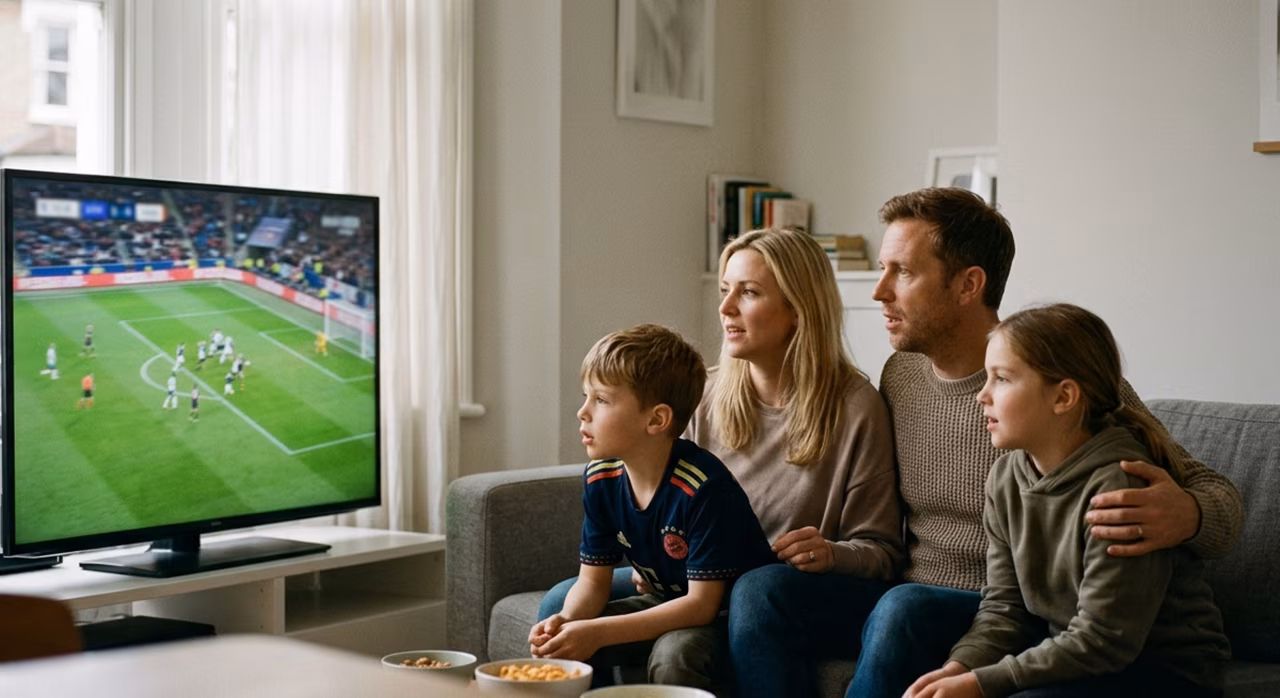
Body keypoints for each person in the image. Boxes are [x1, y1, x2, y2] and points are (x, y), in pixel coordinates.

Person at [847, 188, 1243, 698]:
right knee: (780, 595)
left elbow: (1214, 492)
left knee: (904, 609)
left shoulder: (1067, 391)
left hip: (1057, 621)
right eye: (883, 269)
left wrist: (1188, 513)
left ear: (969, 285)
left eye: (902, 271)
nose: (878, 292)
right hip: (976, 611)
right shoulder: (901, 377)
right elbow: (1000, 606)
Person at [537, 229, 902, 697]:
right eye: (725, 290)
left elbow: (884, 553)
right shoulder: (705, 395)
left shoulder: (855, 408)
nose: (726, 307)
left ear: (798, 309)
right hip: (692, 576)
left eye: (748, 292)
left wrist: (832, 552)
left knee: (738, 605)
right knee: (557, 602)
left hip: (770, 590)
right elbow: (664, 499)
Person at [905, 303, 1230, 698]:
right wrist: (960, 668)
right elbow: (1004, 608)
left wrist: (982, 683)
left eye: (1002, 379)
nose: (981, 395)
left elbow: (1104, 640)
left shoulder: (1121, 488)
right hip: (1080, 652)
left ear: (1063, 397)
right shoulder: (1005, 478)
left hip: (1165, 670)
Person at [527, 324, 776, 692]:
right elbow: (592, 583)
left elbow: (700, 607)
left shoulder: (703, 488)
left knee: (674, 654)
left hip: (724, 617)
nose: (582, 412)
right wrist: (566, 620)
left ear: (657, 419)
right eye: (586, 396)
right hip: (665, 597)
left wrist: (597, 632)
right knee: (563, 632)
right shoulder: (601, 479)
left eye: (601, 400)